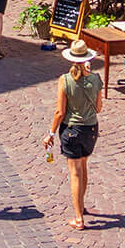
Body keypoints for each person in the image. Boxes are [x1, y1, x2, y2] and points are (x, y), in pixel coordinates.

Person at [44, 39, 104, 230]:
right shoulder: (95, 79)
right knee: (84, 166)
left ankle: (78, 218)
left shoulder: (65, 80)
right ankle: (82, 205)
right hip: (91, 129)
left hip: (72, 130)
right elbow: (99, 108)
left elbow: (60, 112)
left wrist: (51, 133)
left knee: (75, 173)